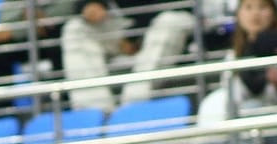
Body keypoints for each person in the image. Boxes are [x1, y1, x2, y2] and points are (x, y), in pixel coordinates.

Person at [61, 0, 195, 110]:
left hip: (171, 17)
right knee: (75, 28)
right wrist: (90, 5)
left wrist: (133, 37)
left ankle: (134, 107)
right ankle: (95, 112)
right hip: (120, 26)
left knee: (170, 21)